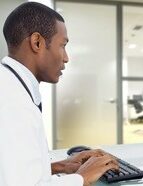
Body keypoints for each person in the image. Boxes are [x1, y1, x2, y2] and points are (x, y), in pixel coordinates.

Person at [0, 2, 118, 186]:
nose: (66, 57)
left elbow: (11, 171)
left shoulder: (10, 85)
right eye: (62, 45)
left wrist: (61, 166)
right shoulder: (13, 104)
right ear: (37, 42)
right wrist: (82, 177)